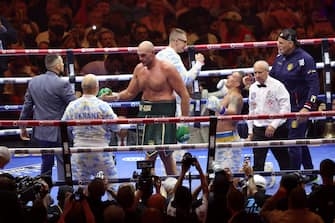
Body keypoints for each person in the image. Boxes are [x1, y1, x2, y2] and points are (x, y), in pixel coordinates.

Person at [101, 40, 190, 175]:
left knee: (158, 153)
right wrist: (113, 97)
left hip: (164, 114)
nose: (140, 59)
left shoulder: (167, 68)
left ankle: (151, 184)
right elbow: (130, 93)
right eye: (139, 55)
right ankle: (169, 185)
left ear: (153, 53)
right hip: (145, 113)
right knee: (162, 155)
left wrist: (184, 121)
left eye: (143, 56)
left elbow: (184, 95)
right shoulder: (139, 69)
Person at [270, 28, 320, 183]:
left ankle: (294, 178)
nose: (278, 45)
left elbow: (314, 85)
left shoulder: (305, 59)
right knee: (298, 140)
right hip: (284, 108)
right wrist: (254, 81)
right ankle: (310, 172)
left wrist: (307, 107)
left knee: (293, 143)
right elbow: (271, 80)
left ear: (291, 43)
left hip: (299, 107)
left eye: (281, 43)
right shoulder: (279, 59)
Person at [19, 54, 76, 181]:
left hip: (42, 131)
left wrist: (22, 126)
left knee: (46, 163)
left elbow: (27, 106)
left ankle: (43, 193)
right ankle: (65, 194)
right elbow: (74, 105)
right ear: (56, 66)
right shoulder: (62, 83)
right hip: (59, 132)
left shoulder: (33, 82)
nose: (63, 65)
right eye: (61, 63)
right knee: (63, 163)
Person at [62, 74, 120, 183]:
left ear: (83, 89)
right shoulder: (103, 106)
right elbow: (117, 127)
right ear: (97, 88)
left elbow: (64, 127)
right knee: (112, 185)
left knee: (80, 189)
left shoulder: (72, 106)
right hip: (101, 151)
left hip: (79, 152)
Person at [247, 60, 291, 172]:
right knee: (258, 162)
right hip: (258, 129)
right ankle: (258, 187)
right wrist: (250, 130)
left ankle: (289, 185)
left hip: (277, 129)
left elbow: (285, 108)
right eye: (255, 72)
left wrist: (273, 125)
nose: (257, 75)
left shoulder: (278, 86)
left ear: (267, 72)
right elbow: (252, 109)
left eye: (260, 72)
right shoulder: (252, 88)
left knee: (284, 160)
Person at [206, 71, 244, 173]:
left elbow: (233, 112)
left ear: (237, 84)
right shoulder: (227, 95)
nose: (228, 77)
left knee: (229, 174)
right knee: (218, 173)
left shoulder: (236, 96)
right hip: (218, 138)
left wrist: (219, 108)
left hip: (229, 139)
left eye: (232, 76)